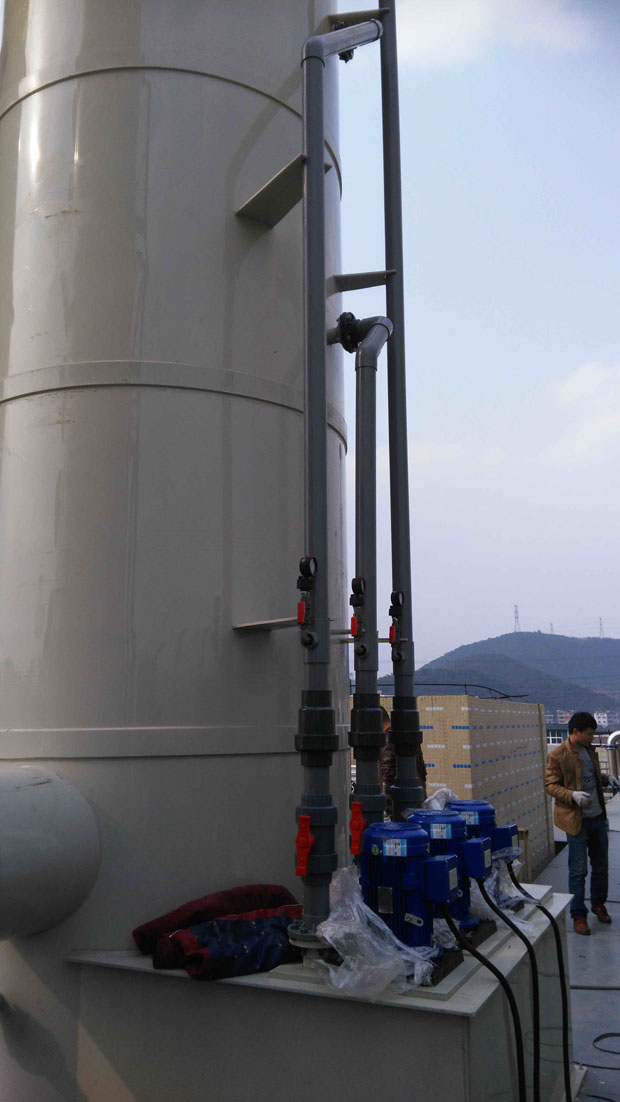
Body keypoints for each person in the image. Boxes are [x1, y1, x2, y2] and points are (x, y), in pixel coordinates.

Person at [545, 711, 611, 935]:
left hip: (597, 817)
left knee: (601, 867)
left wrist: (606, 779)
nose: (592, 737)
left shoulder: (589, 751)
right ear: (576, 732)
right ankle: (578, 914)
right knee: (578, 870)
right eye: (589, 734)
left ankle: (598, 904)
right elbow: (550, 785)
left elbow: (591, 776)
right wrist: (572, 795)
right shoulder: (557, 755)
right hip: (577, 822)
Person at [379, 706, 427, 818]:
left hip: (400, 809)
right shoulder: (405, 736)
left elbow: (388, 775)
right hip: (418, 800)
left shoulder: (388, 740)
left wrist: (388, 810)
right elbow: (423, 771)